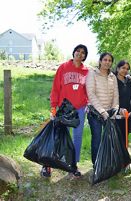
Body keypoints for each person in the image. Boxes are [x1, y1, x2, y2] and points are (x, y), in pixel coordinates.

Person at [41, 44, 89, 178]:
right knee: (58, 136)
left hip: (79, 108)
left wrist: (88, 104)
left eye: (83, 52)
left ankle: (73, 164)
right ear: (73, 53)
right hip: (64, 107)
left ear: (85, 56)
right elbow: (56, 88)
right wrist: (53, 106)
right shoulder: (63, 67)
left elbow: (88, 90)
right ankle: (47, 165)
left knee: (77, 137)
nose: (80, 54)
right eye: (78, 51)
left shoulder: (86, 71)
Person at [85, 52, 119, 165]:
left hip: (109, 112)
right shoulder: (92, 74)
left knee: (109, 139)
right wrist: (102, 111)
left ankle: (107, 163)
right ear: (100, 61)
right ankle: (97, 165)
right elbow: (91, 94)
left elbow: (116, 95)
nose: (107, 62)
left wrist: (115, 110)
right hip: (95, 113)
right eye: (105, 60)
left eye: (110, 60)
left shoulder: (113, 76)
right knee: (97, 139)